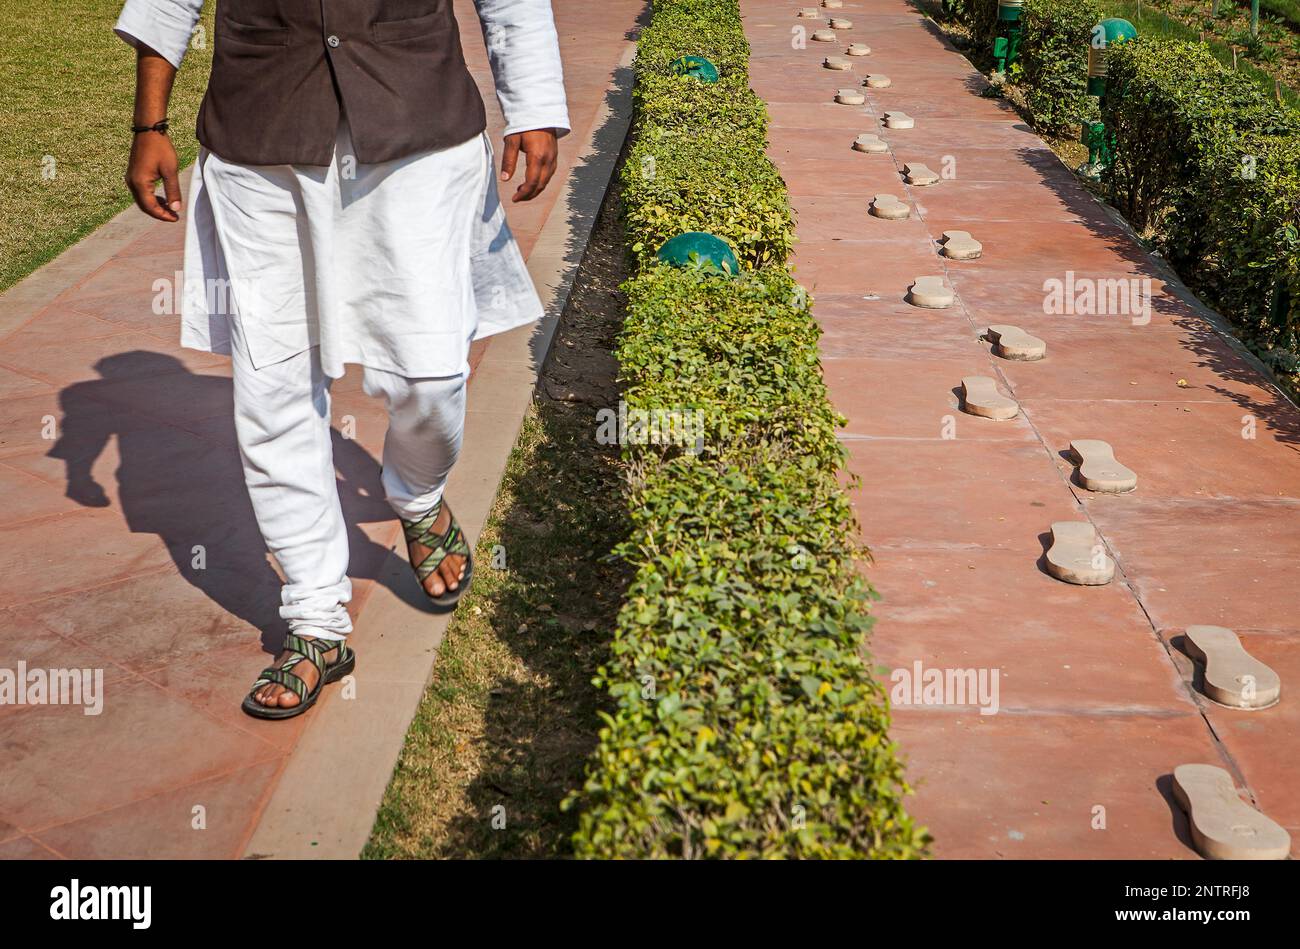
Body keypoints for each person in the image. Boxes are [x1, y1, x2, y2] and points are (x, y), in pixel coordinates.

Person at [114, 0, 569, 719]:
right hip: (260, 139)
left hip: (416, 136)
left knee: (429, 375)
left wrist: (534, 104)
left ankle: (416, 495)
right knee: (273, 392)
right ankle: (316, 620)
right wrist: (149, 126)